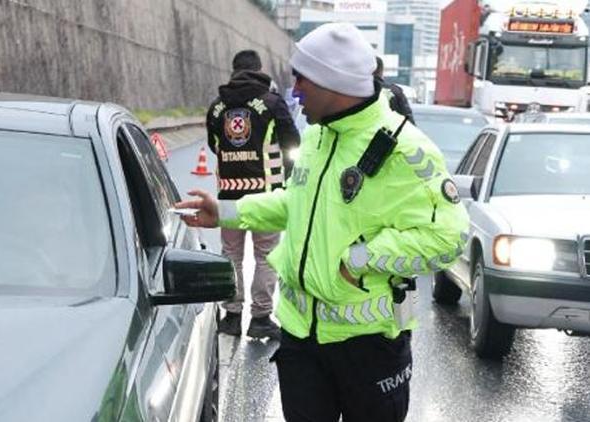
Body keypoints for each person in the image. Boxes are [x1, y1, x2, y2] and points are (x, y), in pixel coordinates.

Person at [179, 23, 469, 421]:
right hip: (300, 341)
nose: (294, 90)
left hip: (368, 348)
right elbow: (296, 201)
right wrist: (227, 211)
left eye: (302, 79)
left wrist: (364, 258)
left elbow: (448, 238)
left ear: (334, 84)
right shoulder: (316, 138)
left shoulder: (406, 150)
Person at [205, 49, 300, 339]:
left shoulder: (217, 107)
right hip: (267, 195)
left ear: (233, 71)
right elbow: (292, 141)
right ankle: (260, 318)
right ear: (259, 70)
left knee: (231, 254)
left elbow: (213, 144)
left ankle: (232, 316)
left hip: (229, 196)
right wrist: (285, 173)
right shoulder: (272, 103)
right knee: (266, 256)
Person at [374, 56, 415, 124]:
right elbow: (408, 120)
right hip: (391, 132)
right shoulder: (395, 91)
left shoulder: (359, 92)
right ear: (381, 71)